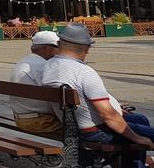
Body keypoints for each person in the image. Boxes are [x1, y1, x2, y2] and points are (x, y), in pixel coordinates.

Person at [41, 23, 154, 166]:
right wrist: (138, 138)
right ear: (86, 49)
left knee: (141, 120)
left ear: (60, 43)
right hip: (94, 131)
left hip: (73, 127)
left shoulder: (49, 66)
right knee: (144, 134)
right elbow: (108, 116)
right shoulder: (83, 72)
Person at [9, 31, 61, 134]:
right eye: (58, 47)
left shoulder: (25, 61)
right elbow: (55, 99)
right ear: (46, 48)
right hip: (40, 121)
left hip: (21, 118)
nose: (60, 51)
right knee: (83, 128)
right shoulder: (44, 66)